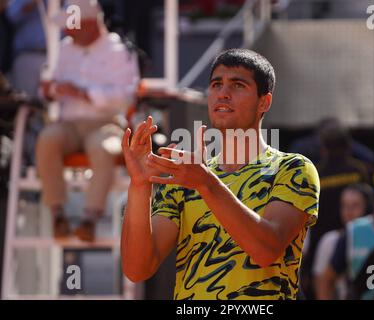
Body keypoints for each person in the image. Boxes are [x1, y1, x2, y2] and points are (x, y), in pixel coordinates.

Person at [121, 48, 320, 300]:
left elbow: (266, 250)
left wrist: (206, 184)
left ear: (264, 102)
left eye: (238, 85)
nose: (223, 94)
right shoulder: (186, 177)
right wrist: (139, 184)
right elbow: (137, 269)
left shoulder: (293, 169)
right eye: (216, 85)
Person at [37, 0, 139, 241]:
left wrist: (84, 93)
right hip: (69, 124)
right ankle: (57, 213)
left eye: (73, 26)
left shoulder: (119, 50)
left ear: (91, 24)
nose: (68, 31)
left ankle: (90, 219)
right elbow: (47, 89)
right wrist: (50, 90)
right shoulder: (64, 48)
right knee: (46, 140)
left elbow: (126, 96)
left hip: (106, 123)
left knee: (101, 148)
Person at [313, 183, 374, 299]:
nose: (348, 212)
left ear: (368, 207)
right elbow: (321, 282)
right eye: (344, 205)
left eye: (355, 205)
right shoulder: (330, 241)